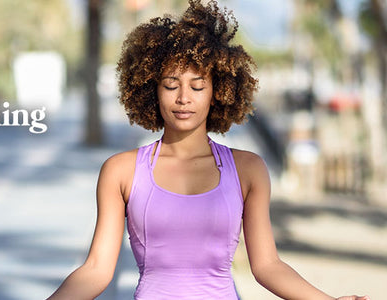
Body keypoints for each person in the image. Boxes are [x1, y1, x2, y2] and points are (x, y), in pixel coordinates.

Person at [47, 1, 370, 299]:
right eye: (171, 85)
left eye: (198, 86)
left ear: (218, 91)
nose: (184, 98)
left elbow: (267, 265)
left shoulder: (248, 169)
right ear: (151, 89)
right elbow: (95, 271)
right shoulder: (120, 170)